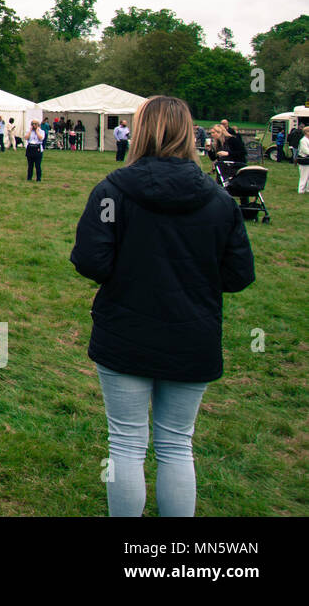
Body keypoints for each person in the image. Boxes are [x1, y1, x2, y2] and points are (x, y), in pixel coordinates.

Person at [70, 95, 254, 517]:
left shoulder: (115, 190)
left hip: (128, 330)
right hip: (188, 331)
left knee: (129, 443)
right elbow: (237, 273)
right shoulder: (218, 200)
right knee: (175, 443)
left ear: (142, 131)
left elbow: (91, 261)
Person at [296, 127, 309, 194]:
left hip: (307, 160)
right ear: (306, 132)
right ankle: (301, 190)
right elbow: (306, 150)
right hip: (304, 160)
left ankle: (307, 189)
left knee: (308, 176)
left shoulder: (307, 140)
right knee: (304, 176)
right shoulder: (303, 140)